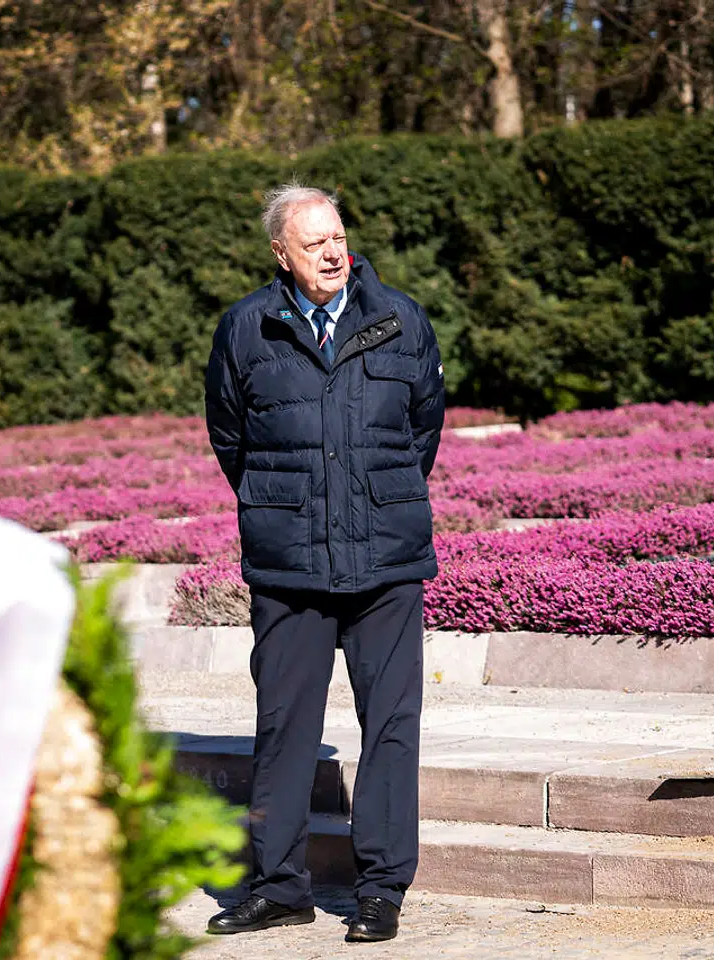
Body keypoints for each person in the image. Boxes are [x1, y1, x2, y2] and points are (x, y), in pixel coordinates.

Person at [203, 184, 445, 943]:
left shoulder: (401, 320)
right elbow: (229, 437)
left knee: (392, 726)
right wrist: (282, 509)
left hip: (387, 563)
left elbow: (422, 432)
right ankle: (280, 887)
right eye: (313, 243)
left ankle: (380, 891)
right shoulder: (246, 328)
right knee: (281, 728)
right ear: (282, 253)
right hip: (288, 568)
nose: (333, 252)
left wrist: (377, 499)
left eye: (337, 236)